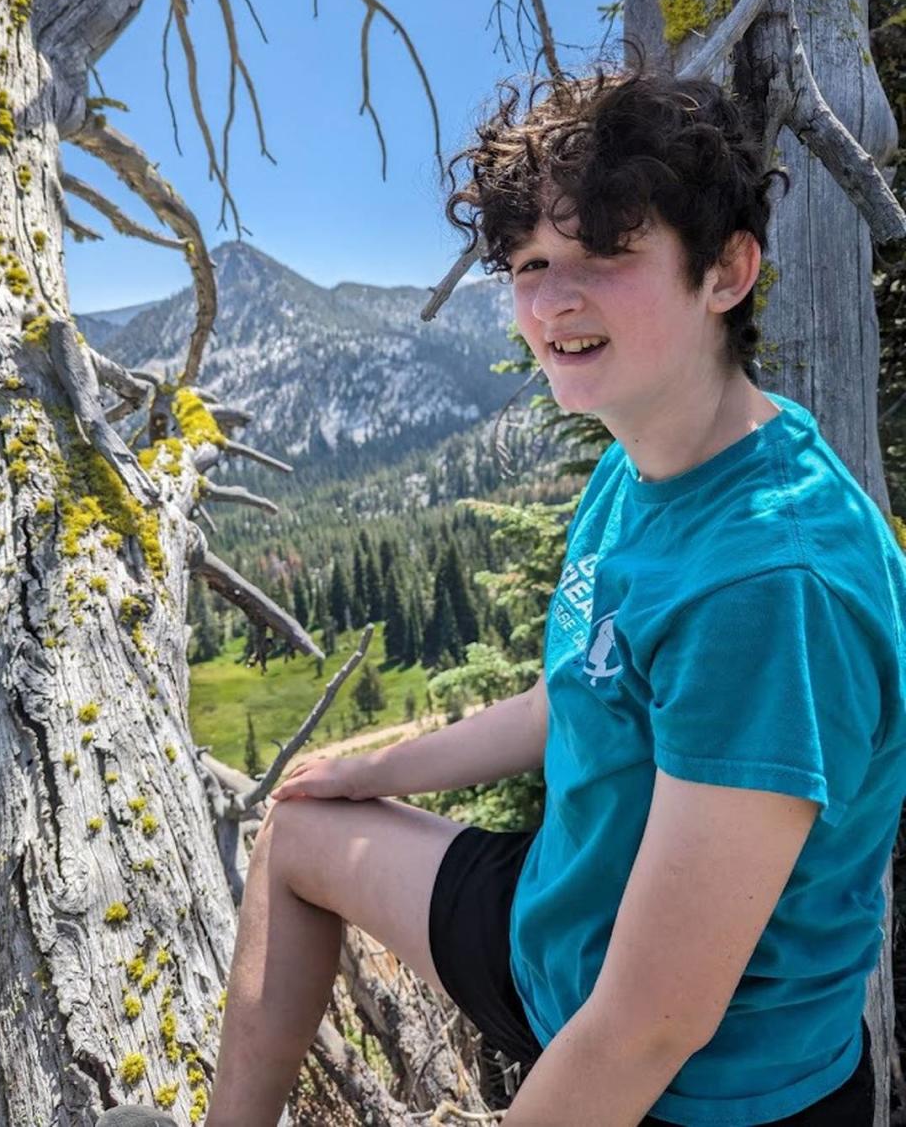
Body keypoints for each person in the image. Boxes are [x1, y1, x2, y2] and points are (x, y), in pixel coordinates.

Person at [98, 67, 906, 1127]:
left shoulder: (770, 579)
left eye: (607, 254)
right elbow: (581, 690)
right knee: (295, 836)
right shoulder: (645, 458)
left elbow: (654, 1024)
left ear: (726, 273)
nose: (552, 302)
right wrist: (373, 769)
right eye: (530, 264)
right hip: (562, 944)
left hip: (703, 1088)